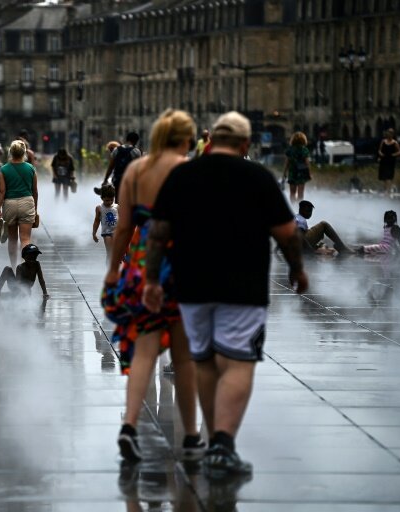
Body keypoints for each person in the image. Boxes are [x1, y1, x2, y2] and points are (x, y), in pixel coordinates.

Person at [142, 111, 308, 478]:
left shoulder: (182, 176)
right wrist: (297, 269)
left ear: (211, 140)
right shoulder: (259, 177)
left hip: (192, 285)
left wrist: (152, 280)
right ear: (246, 145)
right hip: (243, 287)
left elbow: (157, 232)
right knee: (238, 362)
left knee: (204, 361)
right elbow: (287, 232)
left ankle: (213, 436)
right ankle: (222, 443)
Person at [102, 110, 202, 463]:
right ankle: (190, 435)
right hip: (184, 264)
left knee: (143, 350)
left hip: (144, 263)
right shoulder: (191, 172)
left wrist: (115, 268)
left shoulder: (136, 171)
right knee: (184, 356)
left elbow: (125, 227)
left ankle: (130, 425)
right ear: (186, 139)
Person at [0, 140, 38, 268]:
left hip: (9, 204)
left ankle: (14, 267)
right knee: (25, 239)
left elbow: (1, 191)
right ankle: (26, 267)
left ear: (10, 152)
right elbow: (35, 191)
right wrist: (35, 209)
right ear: (24, 152)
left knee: (12, 239)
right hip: (27, 202)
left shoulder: (3, 169)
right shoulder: (31, 168)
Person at [99, 132, 141, 200]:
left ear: (126, 139)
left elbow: (110, 167)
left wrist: (105, 180)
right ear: (136, 141)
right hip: (129, 181)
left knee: (117, 202)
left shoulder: (116, 150)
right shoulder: (136, 151)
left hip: (117, 180)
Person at [92, 183, 118, 262]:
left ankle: (115, 266)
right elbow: (97, 221)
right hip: (107, 233)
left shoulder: (117, 207)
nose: (109, 202)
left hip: (117, 232)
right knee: (110, 252)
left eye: (111, 200)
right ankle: (108, 268)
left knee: (116, 252)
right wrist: (94, 233)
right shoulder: (99, 208)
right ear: (102, 198)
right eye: (107, 200)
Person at [283, 131, 311, 202]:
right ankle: (299, 207)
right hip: (302, 172)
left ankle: (293, 207)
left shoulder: (289, 150)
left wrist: (284, 173)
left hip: (292, 172)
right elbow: (307, 162)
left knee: (292, 192)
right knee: (300, 192)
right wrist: (309, 173)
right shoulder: (304, 150)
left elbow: (287, 163)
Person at [378, 129, 400, 194]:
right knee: (383, 176)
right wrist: (380, 154)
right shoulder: (383, 141)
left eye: (391, 133)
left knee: (389, 176)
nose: (389, 134)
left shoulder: (395, 142)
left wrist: (394, 154)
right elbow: (379, 150)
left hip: (390, 160)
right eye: (388, 133)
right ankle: (385, 189)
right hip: (384, 159)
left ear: (392, 134)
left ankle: (388, 190)